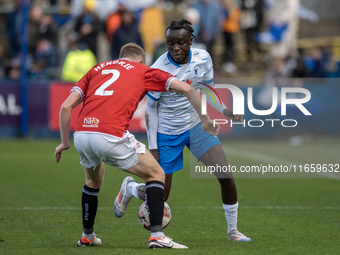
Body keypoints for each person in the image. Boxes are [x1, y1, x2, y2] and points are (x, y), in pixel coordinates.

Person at [54, 43, 219, 249]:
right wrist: (205, 119)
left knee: (92, 182)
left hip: (82, 134)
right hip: (110, 134)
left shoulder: (97, 69)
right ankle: (157, 236)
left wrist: (64, 142)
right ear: (141, 60)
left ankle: (87, 236)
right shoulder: (143, 70)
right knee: (156, 174)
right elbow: (186, 88)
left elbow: (66, 106)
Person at [114, 19, 251, 242]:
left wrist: (225, 110)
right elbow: (150, 109)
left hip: (196, 127)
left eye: (180, 43)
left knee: (226, 176)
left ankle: (233, 231)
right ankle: (131, 188)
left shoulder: (203, 58)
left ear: (191, 41)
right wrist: (155, 147)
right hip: (167, 134)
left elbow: (206, 89)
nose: (175, 48)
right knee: (161, 195)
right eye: (170, 43)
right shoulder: (158, 68)